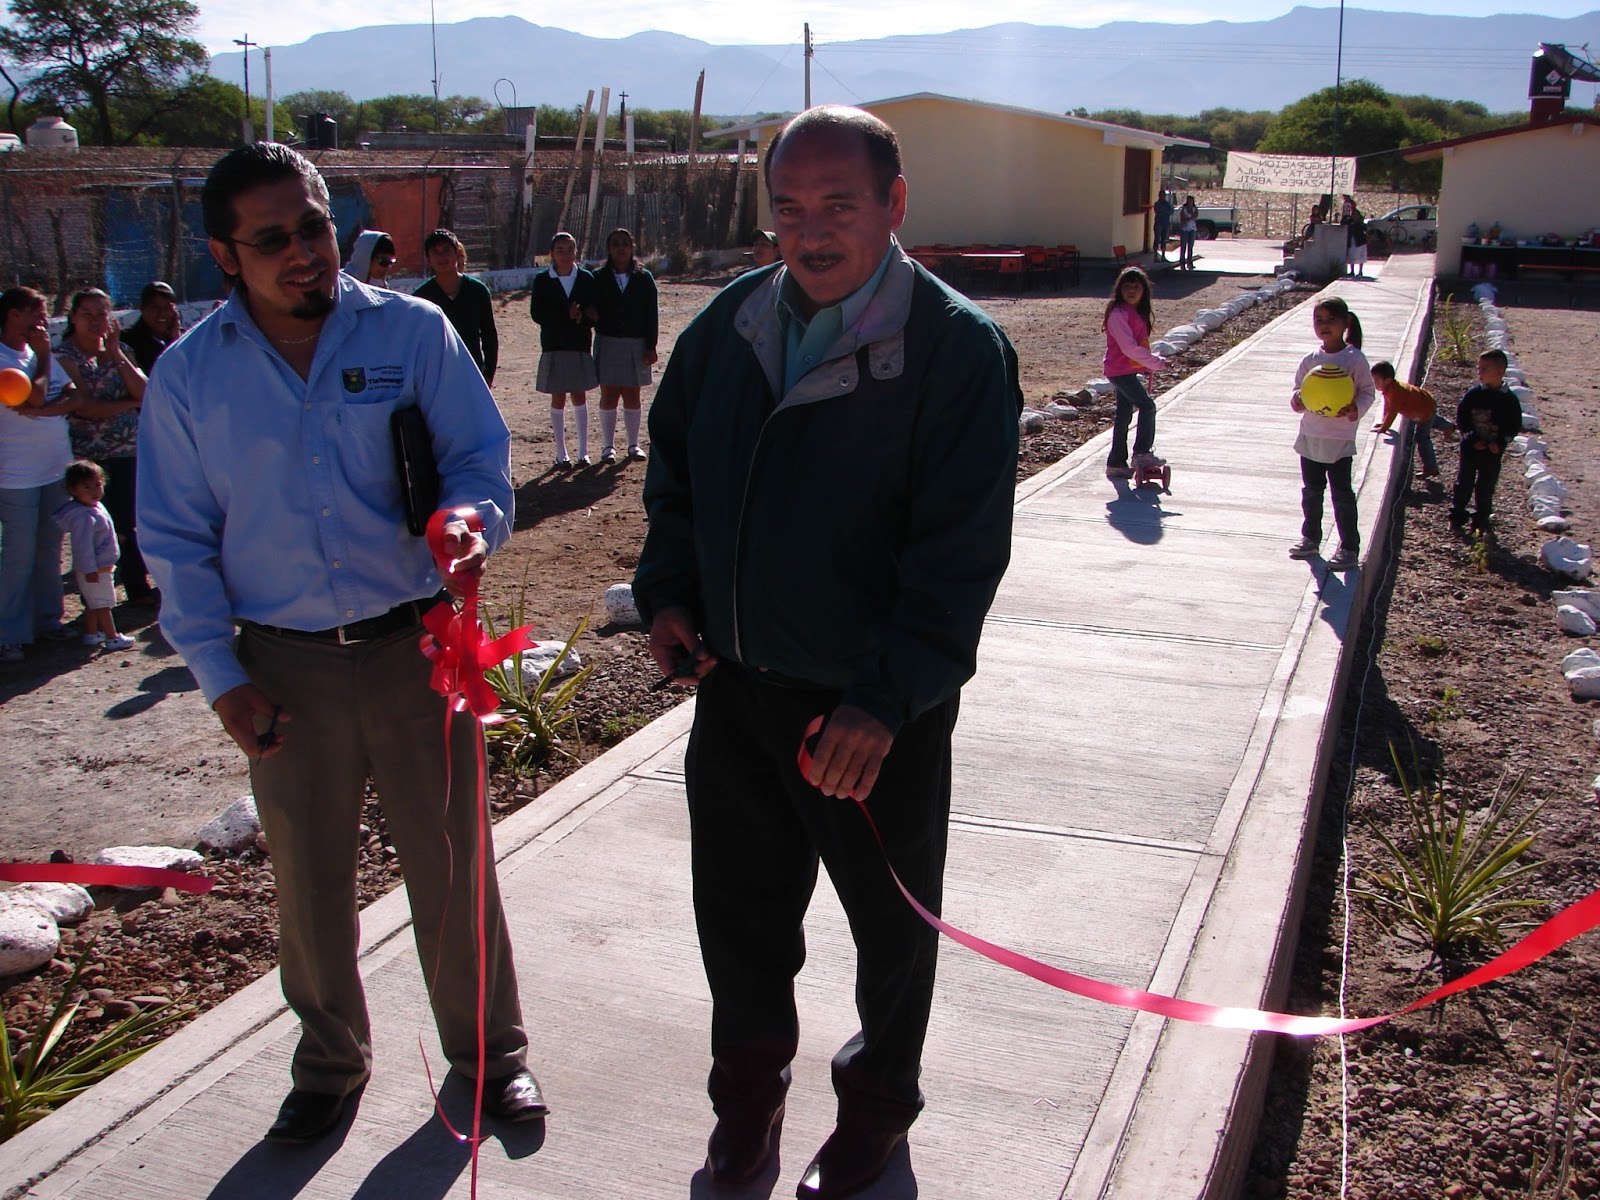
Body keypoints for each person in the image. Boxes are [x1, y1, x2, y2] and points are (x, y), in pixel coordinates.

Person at [632, 105, 1017, 1200]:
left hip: (865, 721)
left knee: (891, 941)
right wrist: (669, 595)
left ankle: (877, 1118)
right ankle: (745, 1113)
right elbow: (677, 483)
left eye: (838, 205)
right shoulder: (730, 328)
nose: (809, 231)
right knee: (740, 928)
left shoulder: (954, 351)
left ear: (894, 206)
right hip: (738, 700)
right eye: (789, 208)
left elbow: (958, 556)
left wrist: (883, 701)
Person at [136, 142, 546, 1144]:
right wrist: (222, 679)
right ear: (225, 256)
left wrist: (468, 522)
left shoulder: (411, 333)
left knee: (454, 865)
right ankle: (328, 1062)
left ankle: (491, 1059)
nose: (302, 253)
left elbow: (478, 457)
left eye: (312, 226)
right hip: (284, 670)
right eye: (270, 239)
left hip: (420, 649)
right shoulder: (190, 379)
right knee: (309, 880)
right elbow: (177, 542)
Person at [56, 287, 156, 605]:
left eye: (103, 313)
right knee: (96, 527)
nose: (97, 320)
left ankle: (137, 586)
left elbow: (145, 392)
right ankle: (96, 596)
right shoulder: (64, 356)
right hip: (88, 456)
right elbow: (84, 406)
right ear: (73, 317)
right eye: (88, 314)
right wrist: (127, 403)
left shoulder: (119, 349)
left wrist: (115, 353)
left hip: (128, 450)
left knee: (129, 521)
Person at [0, 286, 80, 664]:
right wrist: (45, 358)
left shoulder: (37, 353)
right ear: (13, 315)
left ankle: (48, 620)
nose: (43, 322)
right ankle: (9, 632)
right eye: (36, 313)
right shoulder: (6, 357)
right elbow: (32, 397)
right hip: (16, 473)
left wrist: (50, 410)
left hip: (54, 467)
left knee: (50, 548)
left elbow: (72, 393)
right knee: (18, 554)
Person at [1288, 296, 1374, 570]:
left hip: (1339, 439)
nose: (1324, 326)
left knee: (1342, 495)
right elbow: (1298, 392)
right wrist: (1298, 402)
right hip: (1311, 437)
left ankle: (1349, 547)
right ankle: (1310, 537)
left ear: (1345, 323)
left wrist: (1354, 410)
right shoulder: (1311, 359)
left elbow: (1367, 393)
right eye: (1319, 321)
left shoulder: (1354, 359)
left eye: (1331, 320)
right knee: (1312, 492)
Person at [529, 230, 599, 469]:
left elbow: (594, 311)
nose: (565, 254)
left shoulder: (586, 278)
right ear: (551, 254)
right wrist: (564, 315)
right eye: (560, 250)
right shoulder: (542, 280)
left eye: (570, 249)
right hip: (554, 344)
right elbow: (537, 313)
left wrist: (583, 318)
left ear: (576, 252)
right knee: (558, 397)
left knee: (579, 395)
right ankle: (561, 453)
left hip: (579, 344)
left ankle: (583, 451)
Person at [53, 460, 135, 650]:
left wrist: (114, 537)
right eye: (86, 487)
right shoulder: (84, 516)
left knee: (93, 604)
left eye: (97, 484)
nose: (94, 491)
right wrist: (89, 570)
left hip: (98, 568)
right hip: (96, 569)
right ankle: (112, 637)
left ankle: (91, 634)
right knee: (103, 605)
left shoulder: (93, 507)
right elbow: (83, 547)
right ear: (73, 490)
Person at [592, 228, 658, 464]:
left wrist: (651, 346)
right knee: (609, 393)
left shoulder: (644, 278)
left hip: (636, 342)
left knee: (632, 392)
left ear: (632, 248)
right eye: (615, 244)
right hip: (608, 341)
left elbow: (652, 314)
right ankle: (608, 447)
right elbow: (591, 309)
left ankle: (633, 444)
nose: (620, 249)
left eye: (625, 244)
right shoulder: (598, 277)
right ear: (609, 249)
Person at [1101, 265, 1169, 481]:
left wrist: (1148, 362)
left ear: (1144, 290)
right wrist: (1155, 363)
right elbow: (1128, 347)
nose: (1132, 291)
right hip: (1120, 370)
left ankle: (1116, 463)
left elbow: (1140, 344)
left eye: (1136, 287)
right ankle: (1141, 454)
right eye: (1127, 287)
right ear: (1119, 289)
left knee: (1123, 416)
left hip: (1126, 369)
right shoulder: (1118, 314)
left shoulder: (1136, 313)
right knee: (1148, 406)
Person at [413, 229, 498, 386]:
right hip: (436, 377)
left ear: (457, 253)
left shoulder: (477, 291)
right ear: (428, 259)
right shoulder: (421, 297)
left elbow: (489, 335)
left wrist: (488, 374)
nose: (442, 257)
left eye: (446, 250)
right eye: (435, 252)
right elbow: (417, 344)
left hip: (472, 372)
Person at [1451, 348, 1523, 533]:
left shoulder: (1508, 400)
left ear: (1499, 372)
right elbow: (1463, 418)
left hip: (1492, 452)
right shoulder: (1474, 395)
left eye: (1485, 369)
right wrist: (1471, 437)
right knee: (1464, 482)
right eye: (1479, 368)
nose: (1480, 373)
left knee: (1486, 485)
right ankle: (1457, 516)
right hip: (1471, 448)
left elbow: (1513, 425)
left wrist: (1500, 442)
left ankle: (1481, 519)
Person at [1369, 360, 1439, 479]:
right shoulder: (1389, 389)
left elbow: (1393, 411)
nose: (1374, 384)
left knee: (1422, 438)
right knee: (1432, 419)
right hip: (1426, 406)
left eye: (1377, 381)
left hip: (1425, 408)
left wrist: (1384, 428)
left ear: (1388, 381)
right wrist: (1383, 422)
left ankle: (1431, 467)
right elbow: (1387, 407)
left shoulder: (1395, 392)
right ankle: (1448, 427)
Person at [121, 280, 182, 373]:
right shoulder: (128, 341)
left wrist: (176, 341)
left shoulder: (186, 338)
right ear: (142, 308)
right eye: (155, 307)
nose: (162, 313)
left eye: (167, 307)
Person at [1344, 202, 1369, 277]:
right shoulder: (1349, 222)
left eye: (1356, 215)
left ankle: (1360, 271)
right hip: (1352, 240)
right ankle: (1352, 271)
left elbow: (1365, 229)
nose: (1354, 216)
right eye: (1353, 215)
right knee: (1351, 255)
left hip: (1360, 241)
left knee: (1361, 256)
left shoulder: (1361, 223)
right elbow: (1343, 223)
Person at [1177, 195, 1199, 270]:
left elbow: (1195, 216)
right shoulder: (1184, 209)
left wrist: (1190, 218)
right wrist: (1189, 218)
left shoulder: (1194, 208)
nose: (1190, 202)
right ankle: (1182, 262)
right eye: (1189, 201)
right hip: (1185, 229)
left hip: (1192, 229)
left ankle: (1190, 262)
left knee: (1190, 247)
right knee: (1183, 246)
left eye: (1191, 201)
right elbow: (1182, 219)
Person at [1152, 192, 1173, 259]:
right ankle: (1155, 255)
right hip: (1158, 223)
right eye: (1161, 196)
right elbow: (1158, 212)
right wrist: (1165, 212)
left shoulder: (1167, 204)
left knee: (1163, 240)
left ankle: (1163, 255)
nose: (1162, 197)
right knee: (1157, 239)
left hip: (1165, 223)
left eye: (1164, 196)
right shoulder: (1157, 204)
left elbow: (1171, 211)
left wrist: (1164, 211)